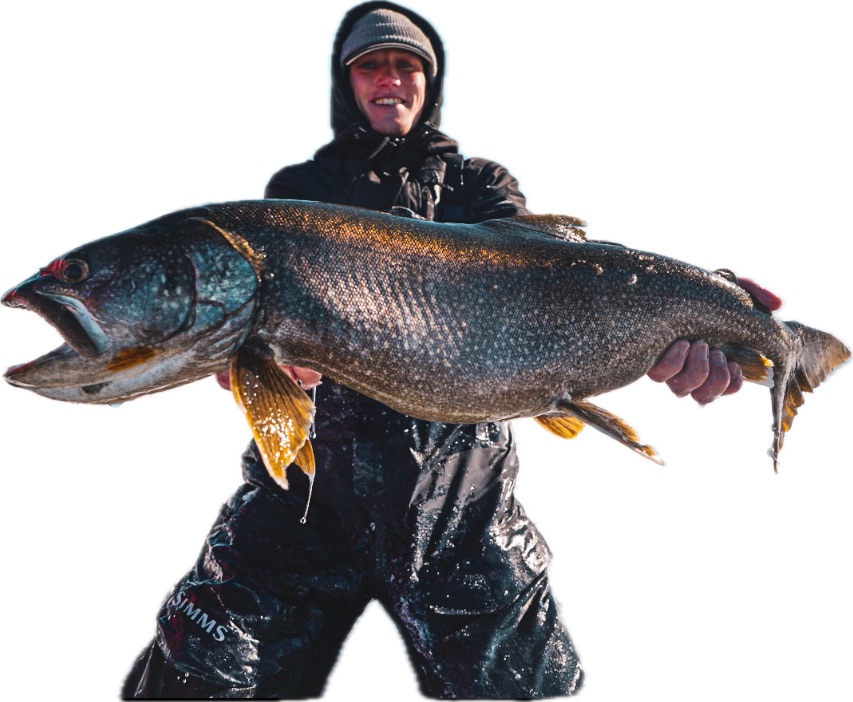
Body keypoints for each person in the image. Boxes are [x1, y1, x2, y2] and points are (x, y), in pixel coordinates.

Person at [122, 2, 780, 698]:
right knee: (192, 682)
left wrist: (703, 306)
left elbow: (553, 282)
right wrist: (275, 366)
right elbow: (279, 352)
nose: (390, 78)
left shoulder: (480, 185)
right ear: (345, 84)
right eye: (370, 65)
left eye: (406, 65)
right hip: (307, 496)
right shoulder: (299, 195)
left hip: (463, 496)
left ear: (427, 84)